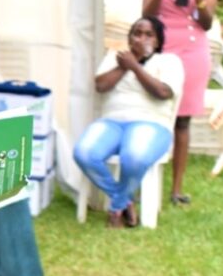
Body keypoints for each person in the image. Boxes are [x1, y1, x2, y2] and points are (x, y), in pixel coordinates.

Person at [74, 17, 184, 228]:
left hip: (151, 123)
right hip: (111, 122)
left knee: (134, 157)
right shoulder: (115, 58)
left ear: (159, 41)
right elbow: (101, 85)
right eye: (137, 33)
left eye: (148, 35)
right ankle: (124, 200)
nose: (141, 39)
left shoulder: (169, 62)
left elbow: (162, 92)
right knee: (84, 153)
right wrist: (126, 65)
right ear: (129, 38)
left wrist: (135, 66)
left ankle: (116, 209)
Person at [142, 0, 219, 205]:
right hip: (162, 48)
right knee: (153, 114)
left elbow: (207, 22)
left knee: (182, 121)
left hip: (193, 52)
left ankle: (176, 189)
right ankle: (145, 179)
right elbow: (147, 15)